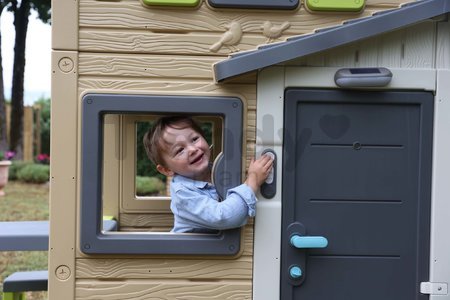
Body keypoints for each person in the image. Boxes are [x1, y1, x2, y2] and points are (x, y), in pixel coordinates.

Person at [143, 115, 273, 233]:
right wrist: (252, 182)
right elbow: (223, 217)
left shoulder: (220, 169)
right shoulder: (182, 194)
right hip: (196, 256)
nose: (193, 149)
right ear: (166, 170)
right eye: (180, 150)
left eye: (194, 139)